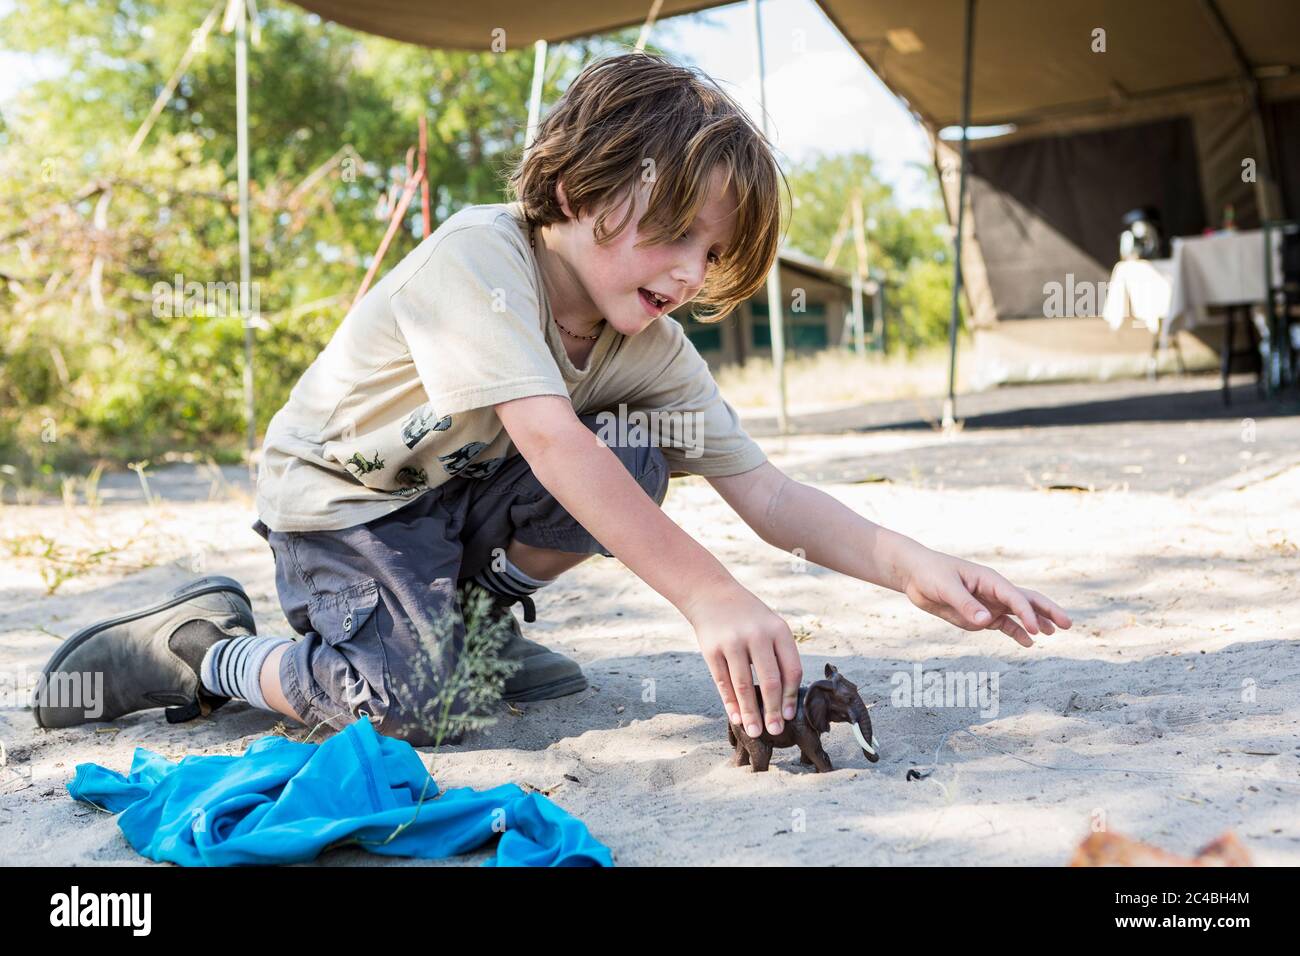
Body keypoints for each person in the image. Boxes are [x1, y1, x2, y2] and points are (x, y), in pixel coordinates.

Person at [34, 52, 1071, 747]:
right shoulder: (482, 259)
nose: (689, 273)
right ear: (581, 191)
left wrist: (910, 565)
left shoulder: (648, 343)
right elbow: (547, 438)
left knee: (638, 452)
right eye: (676, 233)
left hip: (459, 507)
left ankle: (469, 623)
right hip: (349, 508)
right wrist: (711, 593)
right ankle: (199, 648)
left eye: (712, 254)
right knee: (401, 702)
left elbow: (766, 492)